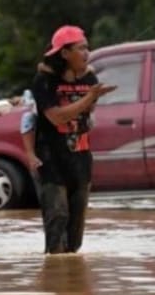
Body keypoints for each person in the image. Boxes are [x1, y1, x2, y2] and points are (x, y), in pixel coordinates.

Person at [31, 26, 115, 254]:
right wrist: (89, 97)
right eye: (80, 48)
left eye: (87, 47)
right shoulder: (45, 80)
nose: (87, 53)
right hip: (51, 158)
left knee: (76, 227)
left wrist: (92, 98)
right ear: (65, 53)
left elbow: (89, 111)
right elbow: (56, 116)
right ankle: (55, 269)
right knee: (58, 216)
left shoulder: (89, 77)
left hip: (81, 157)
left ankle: (71, 272)